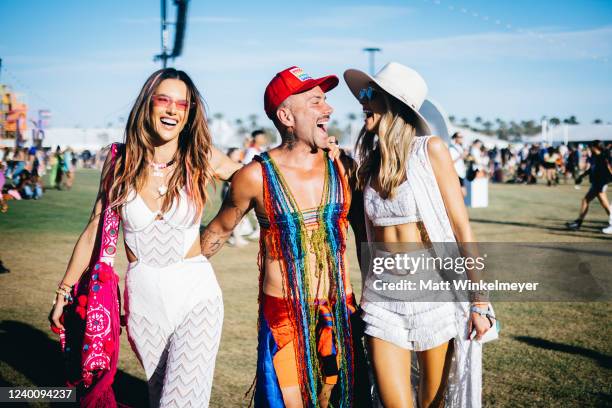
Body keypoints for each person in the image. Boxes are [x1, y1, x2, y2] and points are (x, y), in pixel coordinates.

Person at [49, 68, 240, 407]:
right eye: (163, 100)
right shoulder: (119, 162)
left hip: (197, 295)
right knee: (159, 397)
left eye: (182, 104)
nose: (172, 110)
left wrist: (222, 226)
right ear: (147, 105)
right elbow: (94, 227)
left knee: (179, 402)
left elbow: (256, 182)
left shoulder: (201, 156)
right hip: (144, 304)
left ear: (189, 113)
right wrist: (65, 290)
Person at [200, 66, 361, 408]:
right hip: (285, 318)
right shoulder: (254, 176)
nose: (328, 109)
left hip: (340, 309)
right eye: (316, 101)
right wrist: (168, 275)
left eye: (326, 101)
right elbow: (218, 231)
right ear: (286, 116)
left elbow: (367, 232)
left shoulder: (341, 167)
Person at [344, 62, 495, 407]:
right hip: (382, 298)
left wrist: (480, 301)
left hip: (433, 292)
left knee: (432, 403)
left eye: (370, 94)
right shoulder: (367, 162)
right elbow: (364, 237)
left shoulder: (431, 151)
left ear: (393, 103)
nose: (362, 101)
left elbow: (461, 228)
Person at [566, 140, 612, 233]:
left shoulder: (604, 156)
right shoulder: (595, 156)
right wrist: (581, 176)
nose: (589, 148)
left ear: (595, 147)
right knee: (587, 200)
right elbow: (591, 169)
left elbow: (610, 169)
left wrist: (606, 180)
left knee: (604, 203)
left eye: (591, 146)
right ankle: (578, 223)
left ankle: (579, 223)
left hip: (601, 182)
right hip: (596, 182)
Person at [449, 132, 467, 196]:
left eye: (462, 137)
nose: (462, 138)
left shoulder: (460, 147)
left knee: (462, 193)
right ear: (455, 138)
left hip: (461, 172)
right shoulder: (451, 148)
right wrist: (461, 156)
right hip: (456, 172)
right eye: (460, 137)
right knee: (462, 193)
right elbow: (451, 162)